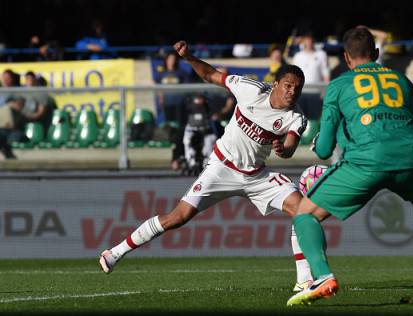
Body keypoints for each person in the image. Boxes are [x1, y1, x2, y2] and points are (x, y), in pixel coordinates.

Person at [100, 40, 315, 292]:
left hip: (257, 175)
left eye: (297, 89)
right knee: (178, 217)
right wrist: (189, 57)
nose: (292, 92)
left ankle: (304, 280)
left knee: (302, 209)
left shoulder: (296, 116)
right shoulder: (250, 89)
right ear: (276, 84)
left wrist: (283, 149)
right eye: (288, 86)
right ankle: (115, 252)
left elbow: (290, 146)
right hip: (221, 167)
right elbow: (212, 75)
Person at [287, 27, 413, 306]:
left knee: (304, 214)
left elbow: (325, 150)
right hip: (409, 159)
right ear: (375, 54)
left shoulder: (339, 84)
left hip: (365, 163)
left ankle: (323, 277)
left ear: (347, 59)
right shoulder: (401, 79)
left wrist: (322, 142)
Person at [292, 32, 330, 120]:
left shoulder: (321, 54)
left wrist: (326, 92)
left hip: (317, 92)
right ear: (303, 42)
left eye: (310, 40)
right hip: (302, 91)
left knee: (315, 118)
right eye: (307, 40)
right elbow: (294, 74)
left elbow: (326, 73)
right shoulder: (298, 56)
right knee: (301, 117)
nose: (309, 42)